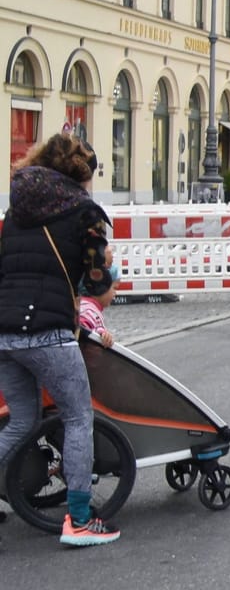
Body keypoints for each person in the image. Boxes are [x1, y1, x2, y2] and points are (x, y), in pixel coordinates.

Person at [0, 134, 122, 545]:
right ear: (81, 174)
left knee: (21, 421)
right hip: (47, 331)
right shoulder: (83, 212)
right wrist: (101, 260)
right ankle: (80, 520)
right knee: (77, 418)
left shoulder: (17, 210)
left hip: (3, 331)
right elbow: (97, 282)